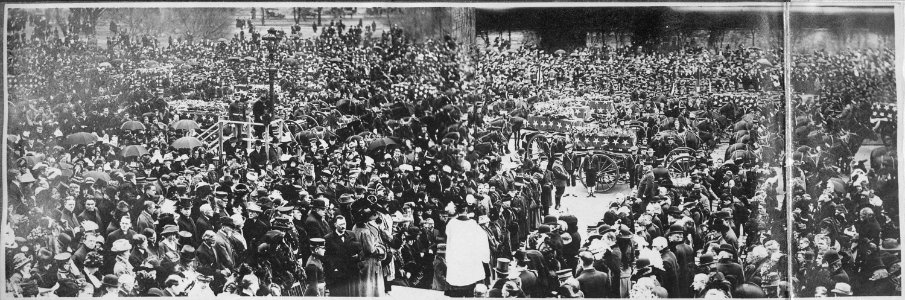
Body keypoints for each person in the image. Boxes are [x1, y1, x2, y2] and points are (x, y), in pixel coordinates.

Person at [445, 204, 490, 297]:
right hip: (470, 264)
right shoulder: (473, 224)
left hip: (456, 263)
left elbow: (448, 236)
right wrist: (485, 259)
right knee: (470, 289)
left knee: (456, 290)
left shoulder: (451, 223)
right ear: (466, 210)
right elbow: (483, 239)